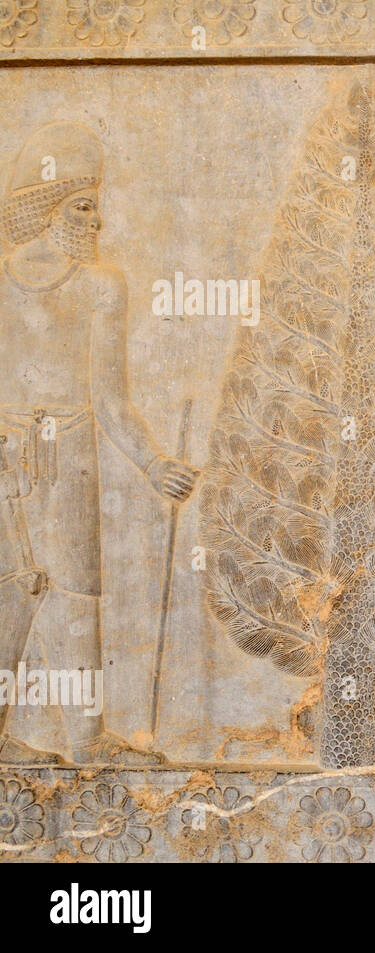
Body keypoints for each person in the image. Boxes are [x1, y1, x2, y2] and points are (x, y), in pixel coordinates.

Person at [0, 122, 197, 765]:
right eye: (84, 205)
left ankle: (86, 743)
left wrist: (155, 463)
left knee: (78, 593)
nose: (98, 220)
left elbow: (111, 403)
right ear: (46, 206)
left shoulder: (101, 286)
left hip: (74, 453)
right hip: (5, 452)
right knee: (9, 588)